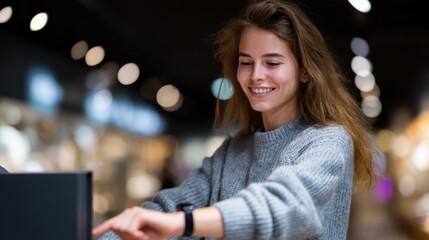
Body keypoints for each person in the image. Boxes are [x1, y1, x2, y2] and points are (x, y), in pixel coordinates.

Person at [93, 0, 378, 239]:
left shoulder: (327, 140)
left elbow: (288, 207)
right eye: (246, 62)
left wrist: (186, 223)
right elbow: (169, 206)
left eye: (272, 62)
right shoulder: (233, 151)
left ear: (304, 71)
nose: (256, 75)